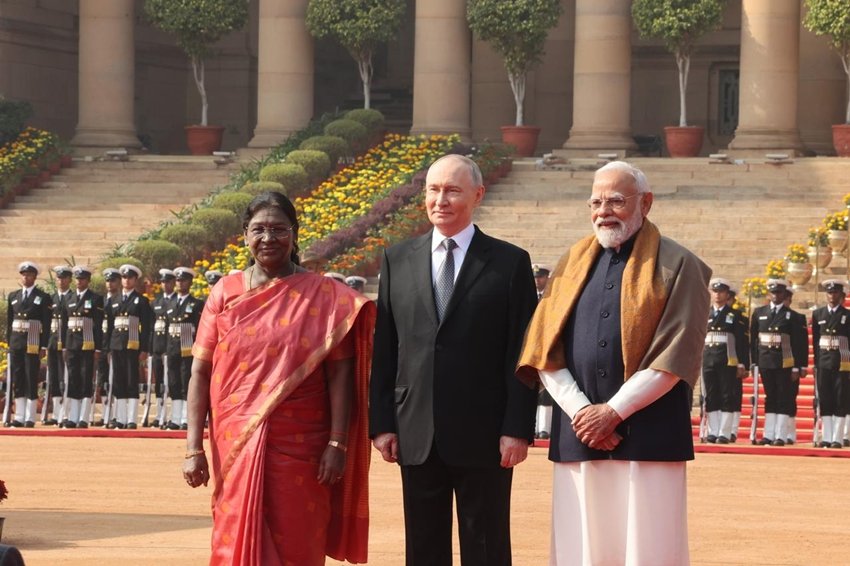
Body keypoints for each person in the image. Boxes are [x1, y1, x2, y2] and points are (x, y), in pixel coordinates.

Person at [516, 161, 711, 565]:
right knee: (581, 545)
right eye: (596, 202)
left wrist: (613, 412)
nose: (603, 212)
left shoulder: (679, 265)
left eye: (617, 201)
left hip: (649, 433)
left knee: (647, 545)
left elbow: (674, 353)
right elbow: (545, 347)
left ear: (646, 203)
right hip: (580, 433)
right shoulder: (570, 264)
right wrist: (583, 413)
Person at [182, 192, 374, 565]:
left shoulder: (324, 296)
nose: (268, 238)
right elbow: (200, 372)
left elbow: (341, 374)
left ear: (294, 233)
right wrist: (193, 449)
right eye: (259, 230)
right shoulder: (225, 293)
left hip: (304, 446)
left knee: (299, 537)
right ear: (245, 235)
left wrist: (337, 443)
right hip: (234, 440)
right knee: (233, 532)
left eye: (278, 229)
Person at [369, 154, 538, 566]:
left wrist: (516, 428)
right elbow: (386, 348)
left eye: (452, 190)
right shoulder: (397, 260)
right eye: (433, 190)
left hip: (486, 434)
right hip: (415, 430)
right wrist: (383, 423)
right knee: (423, 548)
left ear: (478, 195)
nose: (440, 200)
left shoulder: (509, 262)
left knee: (486, 545)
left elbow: (522, 353)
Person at [750, 279, 808, 446]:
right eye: (773, 292)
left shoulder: (793, 316)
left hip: (784, 362)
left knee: (783, 397)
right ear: (769, 294)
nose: (776, 295)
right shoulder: (759, 312)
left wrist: (797, 366)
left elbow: (798, 344)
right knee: (770, 397)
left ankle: (781, 435)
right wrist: (753, 362)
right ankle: (768, 434)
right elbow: (754, 340)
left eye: (779, 293)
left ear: (784, 295)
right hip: (765, 361)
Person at [4, 262, 52, 428]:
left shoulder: (42, 297)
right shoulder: (14, 296)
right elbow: (10, 322)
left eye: (29, 275)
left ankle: (30, 416)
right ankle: (19, 415)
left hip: (32, 342)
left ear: (35, 277)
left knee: (31, 378)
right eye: (24, 275)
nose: (26, 277)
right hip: (16, 343)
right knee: (18, 378)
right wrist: (9, 343)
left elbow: (46, 323)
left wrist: (43, 346)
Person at [702, 277, 749, 444]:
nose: (717, 295)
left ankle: (724, 432)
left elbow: (741, 341)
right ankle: (713, 431)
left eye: (721, 292)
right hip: (708, 358)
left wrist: (742, 363)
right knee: (711, 394)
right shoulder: (705, 313)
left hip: (727, 358)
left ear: (727, 294)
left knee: (726, 394)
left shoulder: (735, 315)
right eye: (715, 291)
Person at [105, 264, 152, 429]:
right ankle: (120, 418)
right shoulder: (114, 300)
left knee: (132, 380)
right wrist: (107, 348)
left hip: (133, 345)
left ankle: (131, 419)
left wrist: (144, 349)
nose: (126, 280)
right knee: (118, 381)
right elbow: (110, 326)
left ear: (135, 280)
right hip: (116, 344)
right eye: (124, 277)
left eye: (130, 278)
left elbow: (146, 327)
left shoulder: (141, 300)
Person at [63, 266, 104, 428]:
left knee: (86, 378)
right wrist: (64, 346)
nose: (79, 281)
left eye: (82, 279)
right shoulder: (69, 297)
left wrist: (98, 348)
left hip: (87, 343)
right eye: (77, 279)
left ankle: (83, 417)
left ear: (88, 281)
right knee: (73, 378)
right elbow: (64, 323)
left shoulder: (95, 298)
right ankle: (73, 416)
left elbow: (98, 325)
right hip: (72, 343)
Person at [811, 279, 850, 449]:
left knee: (840, 398)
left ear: (841, 295)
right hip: (824, 361)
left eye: (835, 292)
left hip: (842, 361)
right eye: (829, 292)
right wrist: (816, 362)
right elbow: (816, 340)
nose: (832, 295)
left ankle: (838, 438)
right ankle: (827, 436)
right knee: (825, 398)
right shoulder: (818, 314)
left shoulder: (847, 315)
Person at [164, 267, 204, 431]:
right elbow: (167, 327)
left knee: (186, 380)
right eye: (178, 280)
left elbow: (200, 327)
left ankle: (186, 418)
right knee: (173, 381)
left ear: (190, 282)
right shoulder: (170, 302)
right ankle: (175, 418)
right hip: (172, 346)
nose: (180, 283)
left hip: (188, 345)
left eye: (183, 280)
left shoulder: (196, 303)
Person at [46, 265, 73, 425]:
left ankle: (66, 413)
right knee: (54, 378)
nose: (61, 281)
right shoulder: (51, 299)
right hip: (52, 341)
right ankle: (56, 414)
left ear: (70, 280)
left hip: (67, 342)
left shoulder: (73, 298)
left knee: (66, 377)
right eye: (59, 278)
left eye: (64, 278)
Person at [150, 269, 176, 428]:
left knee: (172, 382)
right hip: (157, 347)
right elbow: (151, 329)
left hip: (171, 348)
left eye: (168, 281)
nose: (165, 284)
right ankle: (160, 414)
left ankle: (173, 415)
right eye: (163, 282)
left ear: (173, 283)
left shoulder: (176, 301)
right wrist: (150, 350)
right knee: (159, 382)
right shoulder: (156, 302)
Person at [95, 267, 121, 426]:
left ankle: (117, 415)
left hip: (115, 344)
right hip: (101, 344)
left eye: (113, 281)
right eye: (107, 281)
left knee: (116, 379)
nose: (110, 283)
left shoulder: (121, 300)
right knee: (103, 380)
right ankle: (106, 414)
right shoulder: (101, 301)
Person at [532, 264, 554, 440]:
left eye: (540, 277)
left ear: (547, 277)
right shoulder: (528, 296)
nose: (537, 280)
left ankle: (544, 428)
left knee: (547, 390)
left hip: (547, 347)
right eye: (535, 277)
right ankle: (533, 426)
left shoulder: (552, 296)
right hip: (531, 348)